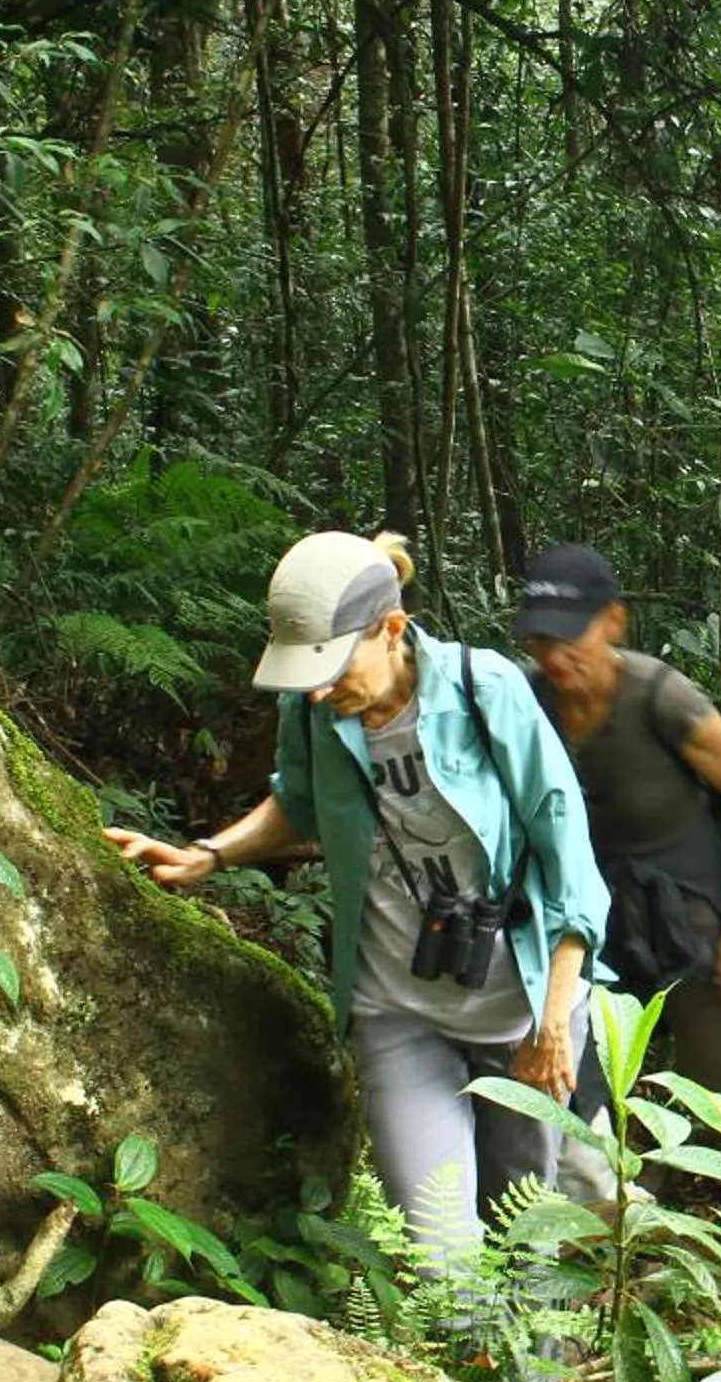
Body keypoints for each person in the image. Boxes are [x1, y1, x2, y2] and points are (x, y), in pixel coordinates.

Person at [102, 530, 609, 1275]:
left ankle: (530, 1358)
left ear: (391, 629)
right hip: (397, 1010)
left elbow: (572, 865)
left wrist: (555, 1022)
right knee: (440, 1257)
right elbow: (298, 804)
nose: (316, 691)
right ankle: (461, 1351)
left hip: (521, 1011)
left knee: (527, 1245)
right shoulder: (314, 711)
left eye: (332, 668)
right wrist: (208, 854)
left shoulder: (486, 691)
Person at [506, 543, 721, 1106]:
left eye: (570, 638)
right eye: (541, 641)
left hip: (690, 906)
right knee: (583, 1074)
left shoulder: (659, 695)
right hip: (593, 910)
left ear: (614, 622)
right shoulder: (525, 701)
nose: (556, 657)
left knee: (718, 1092)